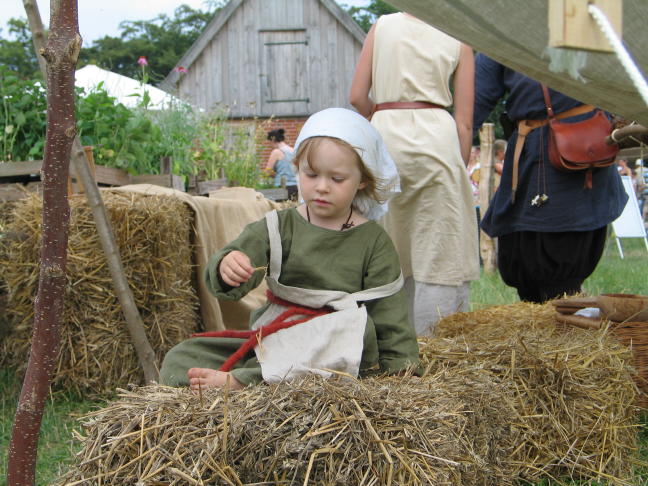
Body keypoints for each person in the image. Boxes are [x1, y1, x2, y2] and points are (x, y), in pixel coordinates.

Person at [159, 108, 420, 390]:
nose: (321, 187)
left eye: (337, 179)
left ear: (363, 180)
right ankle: (258, 374)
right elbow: (238, 260)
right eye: (311, 174)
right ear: (298, 168)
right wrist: (228, 266)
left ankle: (246, 381)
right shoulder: (278, 226)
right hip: (275, 336)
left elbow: (391, 314)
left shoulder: (373, 241)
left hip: (334, 342)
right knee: (181, 357)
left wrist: (401, 373)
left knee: (337, 341)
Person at [349, 12, 479, 336]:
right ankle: (434, 345)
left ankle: (388, 341)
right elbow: (464, 122)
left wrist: (382, 119)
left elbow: (356, 96)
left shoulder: (381, 26)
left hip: (385, 136)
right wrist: (459, 167)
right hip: (438, 137)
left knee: (390, 244)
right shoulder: (459, 33)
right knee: (440, 249)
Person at [473, 54, 628, 303]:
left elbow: (472, 105)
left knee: (556, 270)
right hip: (564, 151)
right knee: (534, 271)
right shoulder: (593, 22)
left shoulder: (503, 30)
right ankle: (551, 323)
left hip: (569, 155)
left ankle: (561, 322)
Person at [265, 128, 298, 200]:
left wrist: (274, 174)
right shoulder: (293, 151)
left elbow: (267, 172)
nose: (270, 146)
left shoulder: (276, 152)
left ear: (273, 140)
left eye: (270, 143)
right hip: (296, 187)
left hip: (282, 188)